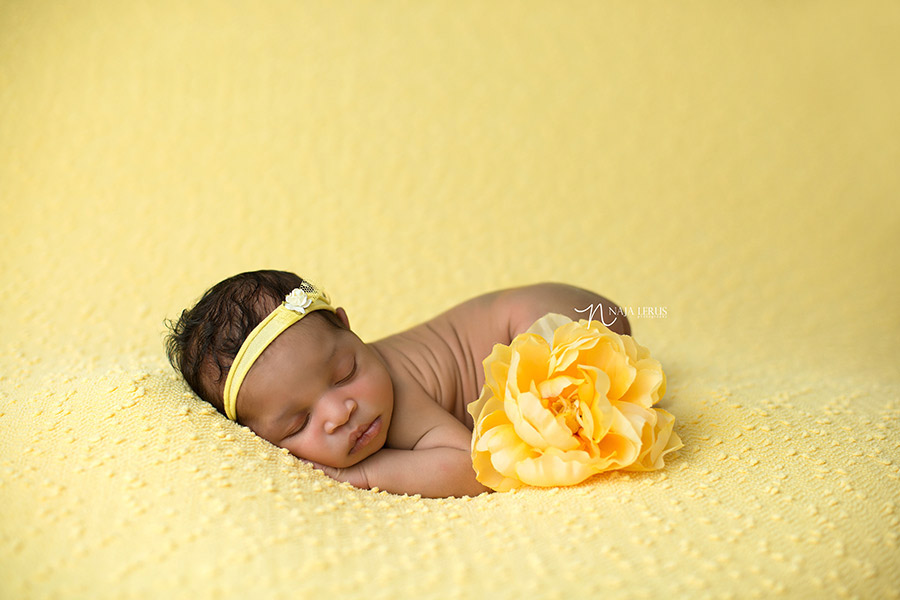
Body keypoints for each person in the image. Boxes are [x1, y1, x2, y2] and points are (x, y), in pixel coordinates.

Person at [164, 270, 631, 498]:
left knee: (548, 387)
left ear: (350, 328)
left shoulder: (394, 395)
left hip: (550, 313)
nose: (340, 411)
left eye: (345, 373)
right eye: (298, 422)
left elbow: (474, 468)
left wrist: (366, 474)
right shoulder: (354, 393)